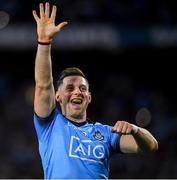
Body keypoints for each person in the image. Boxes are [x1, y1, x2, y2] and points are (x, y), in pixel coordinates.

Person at [32, 2, 158, 179]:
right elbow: (43, 84)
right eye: (70, 88)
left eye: (82, 89)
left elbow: (150, 146)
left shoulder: (106, 134)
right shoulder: (50, 125)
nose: (77, 92)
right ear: (58, 97)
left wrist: (136, 130)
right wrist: (44, 42)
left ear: (89, 97)